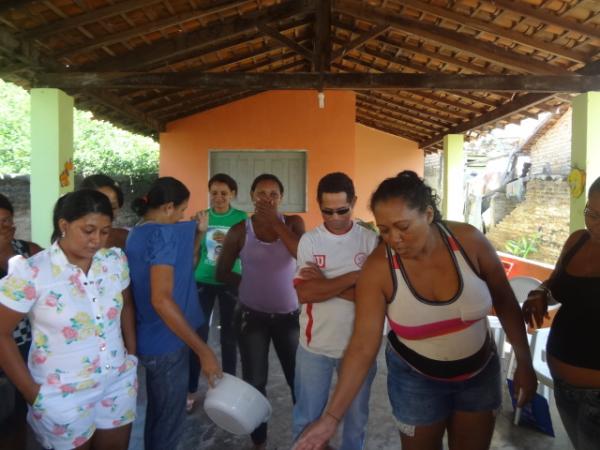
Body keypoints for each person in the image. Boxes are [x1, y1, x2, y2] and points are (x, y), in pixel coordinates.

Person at [296, 171, 537, 450]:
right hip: (416, 382)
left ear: (429, 214)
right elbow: (363, 346)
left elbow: (505, 302)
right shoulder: (379, 268)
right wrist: (330, 417)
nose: (394, 239)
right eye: (384, 230)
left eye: (403, 227)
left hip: (479, 375)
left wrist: (524, 362)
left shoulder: (468, 242)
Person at [0, 189, 137, 450]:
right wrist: (32, 393)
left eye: (105, 231)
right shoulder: (33, 272)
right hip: (62, 394)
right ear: (64, 225)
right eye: (88, 230)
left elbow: (126, 304)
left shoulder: (114, 261)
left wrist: (132, 355)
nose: (97, 239)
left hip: (117, 381)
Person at [125, 176, 221, 450]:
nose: (182, 216)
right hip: (167, 342)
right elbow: (162, 300)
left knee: (159, 416)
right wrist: (204, 351)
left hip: (151, 341)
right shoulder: (163, 234)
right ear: (168, 207)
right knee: (169, 423)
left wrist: (200, 234)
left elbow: (184, 267)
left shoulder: (138, 231)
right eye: (181, 210)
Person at [217, 173, 305, 449]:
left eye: (273, 194)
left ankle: (306, 438)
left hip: (289, 318)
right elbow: (222, 271)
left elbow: (302, 254)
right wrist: (249, 284)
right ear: (251, 197)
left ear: (281, 198)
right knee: (255, 381)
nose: (267, 199)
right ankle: (259, 442)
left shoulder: (293, 223)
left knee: (298, 381)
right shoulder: (240, 231)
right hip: (251, 317)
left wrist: (275, 224)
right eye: (261, 194)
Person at [292, 173, 378, 450]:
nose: (335, 217)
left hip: (359, 348)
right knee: (307, 418)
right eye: (327, 211)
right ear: (319, 205)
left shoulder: (370, 241)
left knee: (355, 421)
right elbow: (305, 293)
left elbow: (374, 300)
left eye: (342, 210)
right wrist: (356, 277)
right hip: (314, 347)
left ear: (354, 202)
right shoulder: (310, 241)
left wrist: (325, 284)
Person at [522, 176, 600, 450]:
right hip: (563, 385)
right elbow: (557, 284)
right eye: (591, 213)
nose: (595, 224)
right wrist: (541, 292)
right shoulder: (578, 241)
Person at [187, 173, 247, 411]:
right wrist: (199, 231)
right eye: (214, 193)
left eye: (224, 193)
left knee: (230, 337)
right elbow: (193, 252)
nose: (219, 197)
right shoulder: (202, 217)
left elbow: (247, 251)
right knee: (197, 336)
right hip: (203, 280)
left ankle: (228, 390)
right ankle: (191, 390)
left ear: (232, 194)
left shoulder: (242, 219)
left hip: (231, 282)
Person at [0, 193, 42, 449]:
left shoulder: (28, 252)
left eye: (6, 220)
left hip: (25, 346)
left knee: (18, 415)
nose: (3, 227)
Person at [80, 174, 129, 249]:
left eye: (113, 207)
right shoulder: (71, 242)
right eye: (100, 207)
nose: (108, 213)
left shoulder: (126, 237)